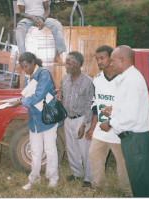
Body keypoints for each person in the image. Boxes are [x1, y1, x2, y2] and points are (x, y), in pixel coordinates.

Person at [100, 45, 149, 197]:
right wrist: (114, 111)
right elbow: (128, 108)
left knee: (141, 183)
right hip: (133, 139)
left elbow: (130, 116)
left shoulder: (131, 80)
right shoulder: (129, 78)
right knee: (138, 180)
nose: (111, 64)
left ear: (122, 60)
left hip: (136, 140)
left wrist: (110, 123)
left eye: (113, 61)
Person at [85, 45, 132, 197]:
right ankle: (99, 187)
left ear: (111, 58)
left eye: (102, 58)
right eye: (97, 58)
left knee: (123, 164)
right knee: (94, 155)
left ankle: (128, 191)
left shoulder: (123, 79)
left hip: (119, 129)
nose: (99, 61)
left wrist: (112, 122)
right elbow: (95, 106)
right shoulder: (97, 80)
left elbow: (127, 106)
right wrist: (93, 128)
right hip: (101, 129)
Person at [9, 52, 60, 190]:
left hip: (48, 118)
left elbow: (37, 96)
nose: (25, 69)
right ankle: (34, 179)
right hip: (35, 120)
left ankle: (53, 178)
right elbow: (27, 95)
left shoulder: (44, 74)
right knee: (35, 151)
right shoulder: (28, 77)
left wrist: (20, 102)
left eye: (26, 66)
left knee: (50, 149)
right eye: (22, 67)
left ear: (33, 63)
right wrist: (21, 101)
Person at [56, 51, 94, 187]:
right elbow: (61, 92)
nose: (66, 66)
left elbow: (91, 105)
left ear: (78, 65)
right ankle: (77, 173)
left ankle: (89, 178)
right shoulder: (65, 79)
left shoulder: (88, 82)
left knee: (85, 150)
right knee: (71, 148)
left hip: (82, 119)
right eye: (66, 63)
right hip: (69, 118)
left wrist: (84, 124)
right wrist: (60, 96)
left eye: (69, 63)